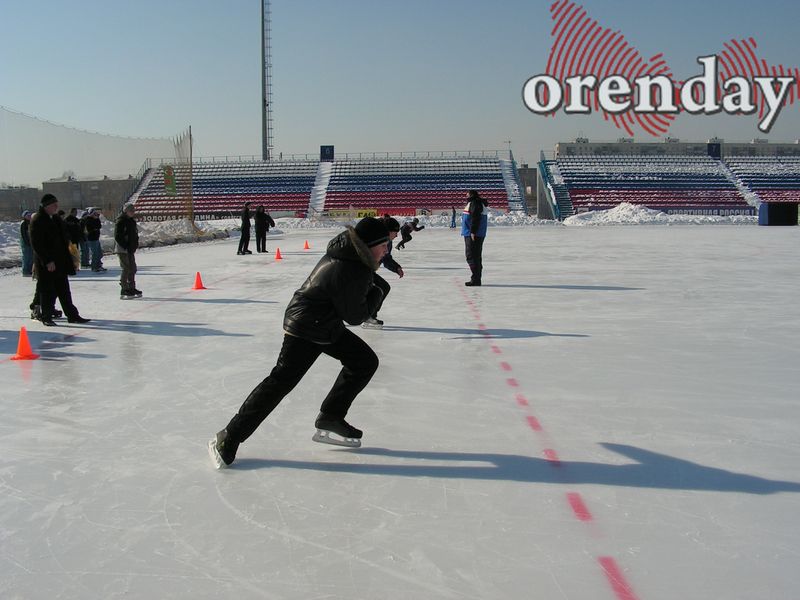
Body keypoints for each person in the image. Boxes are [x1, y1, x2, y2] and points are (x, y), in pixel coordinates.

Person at [208, 217, 391, 468]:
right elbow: (356, 316)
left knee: (364, 361)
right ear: (369, 245)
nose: (386, 251)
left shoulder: (351, 256)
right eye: (384, 246)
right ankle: (229, 436)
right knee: (280, 382)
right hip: (306, 327)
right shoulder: (352, 267)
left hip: (323, 324)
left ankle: (331, 416)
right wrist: (377, 292)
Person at [28, 194, 90, 326]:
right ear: (46, 206)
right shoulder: (38, 220)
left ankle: (72, 315)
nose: (56, 207)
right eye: (53, 205)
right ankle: (46, 316)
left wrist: (70, 259)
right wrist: (47, 261)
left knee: (64, 290)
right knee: (47, 291)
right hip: (47, 263)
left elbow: (64, 239)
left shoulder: (56, 219)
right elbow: (37, 244)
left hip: (60, 261)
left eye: (57, 204)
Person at [363, 216, 403, 330]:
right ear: (389, 231)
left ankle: (369, 316)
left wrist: (396, 268)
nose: (397, 235)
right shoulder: (375, 239)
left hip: (367, 271)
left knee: (382, 287)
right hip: (359, 270)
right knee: (380, 288)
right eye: (396, 232)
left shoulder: (388, 242)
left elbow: (386, 258)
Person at [461, 189, 488, 286]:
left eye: (467, 194)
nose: (465, 195)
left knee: (471, 256)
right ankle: (476, 278)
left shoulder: (475, 203)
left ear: (471, 195)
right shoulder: (476, 203)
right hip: (474, 233)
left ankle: (475, 279)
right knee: (475, 256)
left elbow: (475, 217)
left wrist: (473, 231)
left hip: (473, 234)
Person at [115, 202, 141, 299]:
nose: (133, 212)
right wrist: (125, 246)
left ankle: (131, 287)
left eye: (133, 211)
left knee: (133, 268)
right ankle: (124, 288)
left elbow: (134, 234)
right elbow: (118, 236)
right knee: (126, 268)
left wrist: (135, 244)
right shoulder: (121, 221)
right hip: (123, 249)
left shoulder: (131, 221)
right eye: (131, 211)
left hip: (130, 249)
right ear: (126, 211)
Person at [84, 207, 106, 272]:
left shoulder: (96, 219)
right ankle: (94, 266)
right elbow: (90, 228)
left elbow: (99, 226)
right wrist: (95, 227)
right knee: (95, 253)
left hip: (96, 238)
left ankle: (99, 265)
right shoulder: (88, 220)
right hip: (92, 239)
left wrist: (96, 221)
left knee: (99, 253)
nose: (95, 215)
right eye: (94, 213)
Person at [20, 211, 33, 276]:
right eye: (28, 215)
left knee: (31, 257)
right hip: (25, 243)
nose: (29, 216)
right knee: (26, 257)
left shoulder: (30, 223)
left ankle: (30, 270)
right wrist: (27, 242)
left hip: (30, 242)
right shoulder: (23, 223)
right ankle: (25, 271)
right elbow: (24, 234)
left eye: (30, 215)